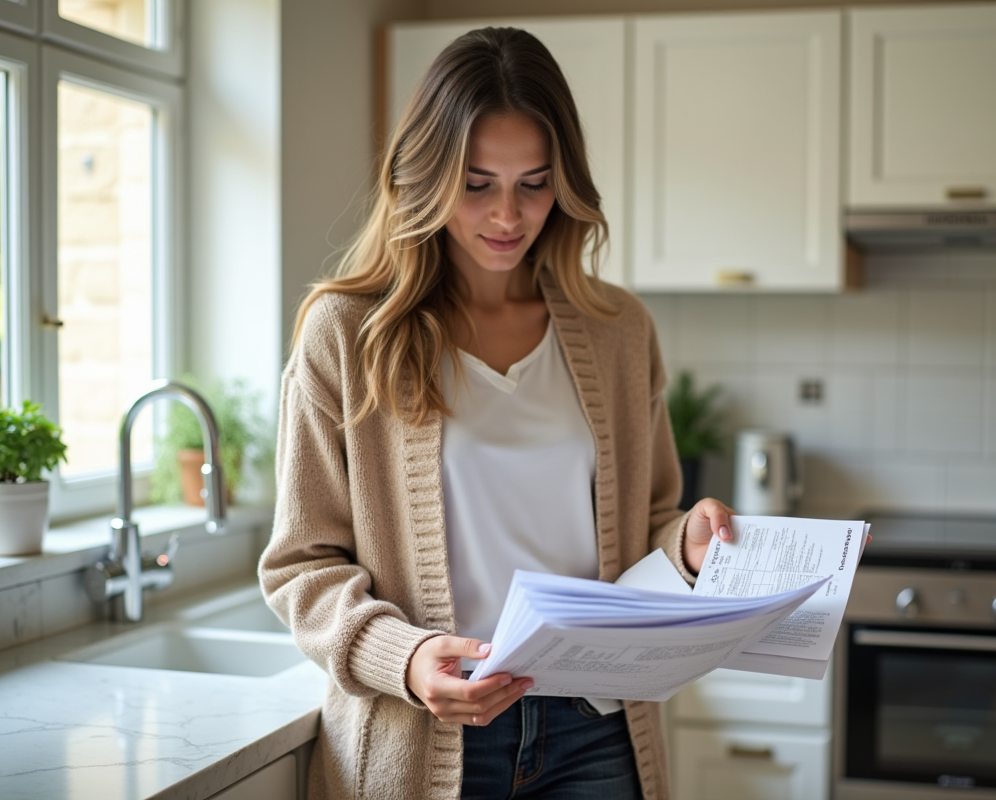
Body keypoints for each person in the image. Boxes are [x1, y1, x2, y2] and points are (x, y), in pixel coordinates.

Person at [259, 27, 735, 800]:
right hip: (428, 735)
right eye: (476, 184)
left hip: (597, 730)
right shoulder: (347, 333)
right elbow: (301, 565)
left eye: (535, 183)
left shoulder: (618, 331)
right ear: (425, 177)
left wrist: (686, 542)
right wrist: (407, 660)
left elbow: (646, 521)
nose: (508, 215)